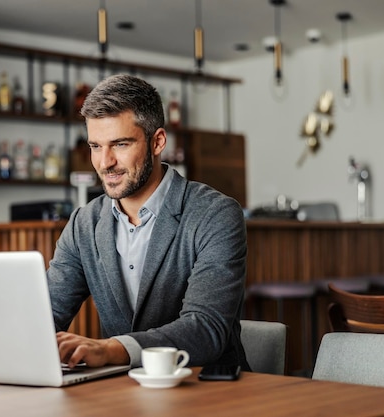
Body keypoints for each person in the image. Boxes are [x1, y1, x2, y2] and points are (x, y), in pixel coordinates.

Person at [48, 74, 250, 371]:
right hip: (122, 395)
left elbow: (205, 329)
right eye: (95, 146)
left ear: (157, 142)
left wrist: (111, 349)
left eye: (120, 144)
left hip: (208, 393)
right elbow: (46, 315)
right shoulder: (83, 224)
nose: (105, 163)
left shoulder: (215, 214)